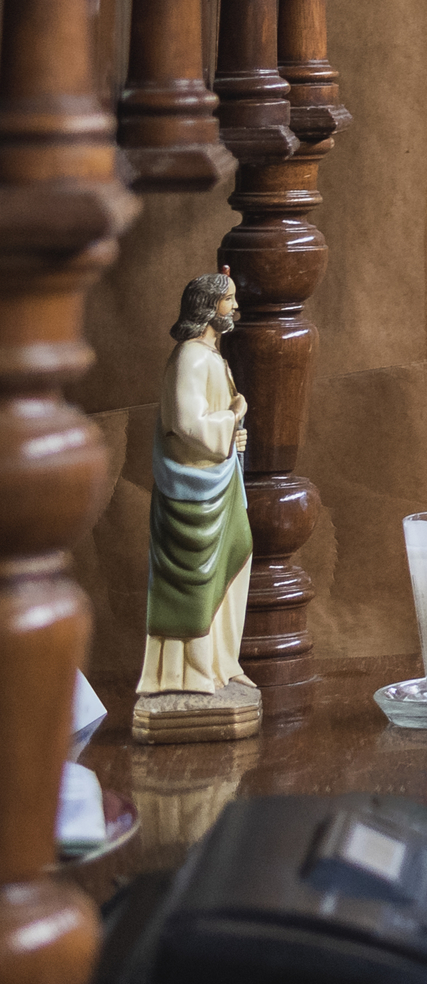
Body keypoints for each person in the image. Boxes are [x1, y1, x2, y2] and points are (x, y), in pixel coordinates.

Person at [139, 273, 251, 706]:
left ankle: (223, 662)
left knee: (238, 555)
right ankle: (190, 672)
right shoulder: (190, 357)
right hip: (194, 489)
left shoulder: (209, 355)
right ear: (208, 307)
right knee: (197, 581)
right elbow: (185, 424)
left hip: (219, 479)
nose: (234, 309)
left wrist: (232, 431)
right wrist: (232, 421)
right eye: (229, 302)